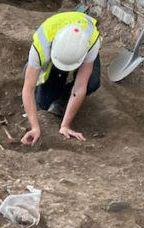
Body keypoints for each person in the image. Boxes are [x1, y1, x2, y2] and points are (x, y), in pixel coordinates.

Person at [21, 11, 101, 145]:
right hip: (54, 55)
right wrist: (35, 127)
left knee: (91, 83)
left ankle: (63, 100)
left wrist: (65, 125)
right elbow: (27, 89)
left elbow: (80, 86)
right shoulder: (42, 44)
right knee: (43, 103)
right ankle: (34, 69)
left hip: (79, 49)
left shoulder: (92, 41)